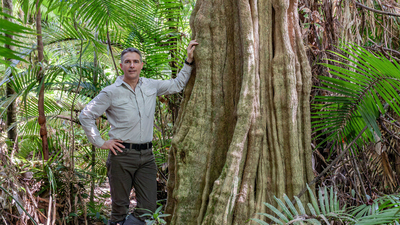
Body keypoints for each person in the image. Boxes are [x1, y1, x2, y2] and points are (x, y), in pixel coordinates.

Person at [79, 40, 198, 225]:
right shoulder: (111, 92)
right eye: (127, 61)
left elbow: (177, 85)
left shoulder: (151, 85)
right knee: (119, 208)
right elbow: (86, 115)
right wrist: (101, 142)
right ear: (121, 66)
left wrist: (189, 62)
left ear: (141, 65)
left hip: (147, 157)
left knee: (148, 208)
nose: (132, 65)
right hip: (122, 155)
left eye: (135, 61)